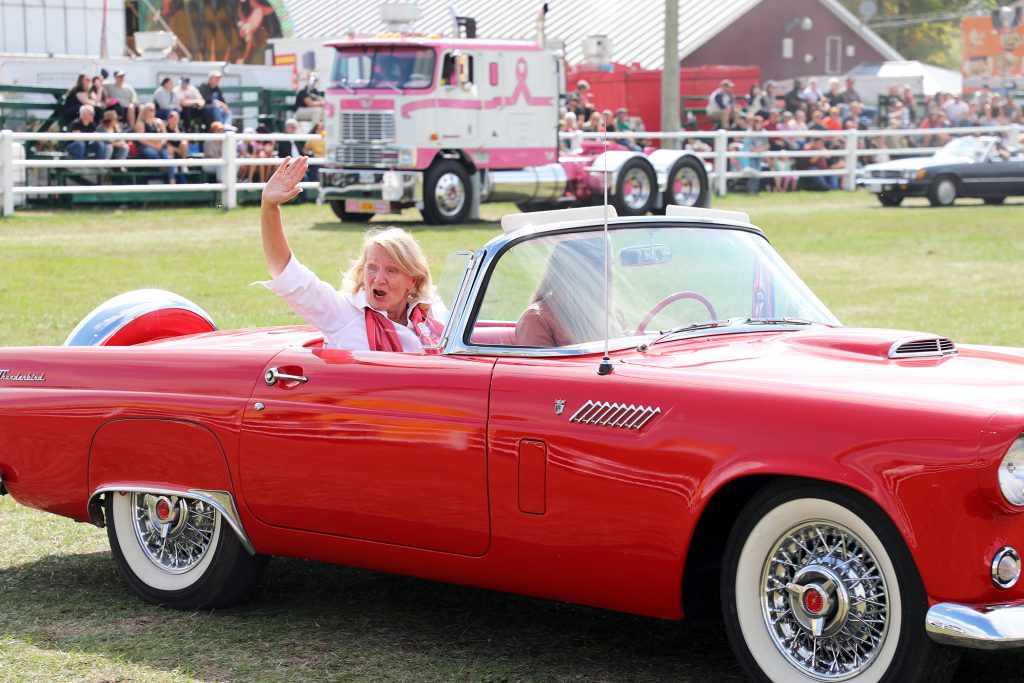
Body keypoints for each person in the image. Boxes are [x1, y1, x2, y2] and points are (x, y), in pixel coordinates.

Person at [260, 156, 445, 352]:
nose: (378, 279)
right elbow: (285, 272)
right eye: (372, 267)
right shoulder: (343, 312)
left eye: (392, 270)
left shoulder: (432, 310)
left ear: (413, 281)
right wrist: (270, 207)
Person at [514, 236, 614, 347]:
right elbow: (537, 364)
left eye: (609, 265)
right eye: (600, 265)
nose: (609, 273)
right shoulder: (536, 320)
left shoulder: (610, 312)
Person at [135, 102, 175, 184]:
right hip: (146, 146)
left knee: (168, 158)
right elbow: (141, 139)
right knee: (153, 155)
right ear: (145, 111)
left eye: (154, 110)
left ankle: (172, 181)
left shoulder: (159, 122)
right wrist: (154, 145)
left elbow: (165, 136)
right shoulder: (141, 123)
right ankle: (159, 177)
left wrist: (160, 144)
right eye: (151, 110)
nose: (153, 111)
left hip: (159, 145)